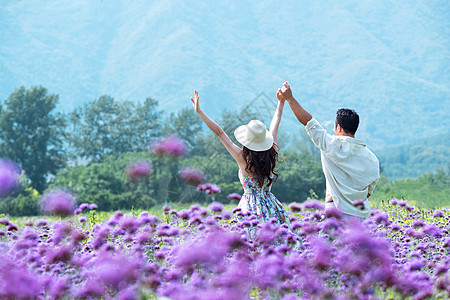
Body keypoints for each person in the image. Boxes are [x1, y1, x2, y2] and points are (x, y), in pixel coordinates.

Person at [277, 82, 380, 219]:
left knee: (325, 241)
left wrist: (290, 99)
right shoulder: (372, 159)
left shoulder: (331, 145)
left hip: (335, 210)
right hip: (360, 217)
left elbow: (309, 122)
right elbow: (368, 191)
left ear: (338, 128)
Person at [190, 89, 290, 226]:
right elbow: (275, 124)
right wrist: (281, 103)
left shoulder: (242, 158)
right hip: (271, 208)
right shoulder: (271, 154)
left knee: (251, 243)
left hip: (249, 210)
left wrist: (200, 112)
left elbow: (219, 132)